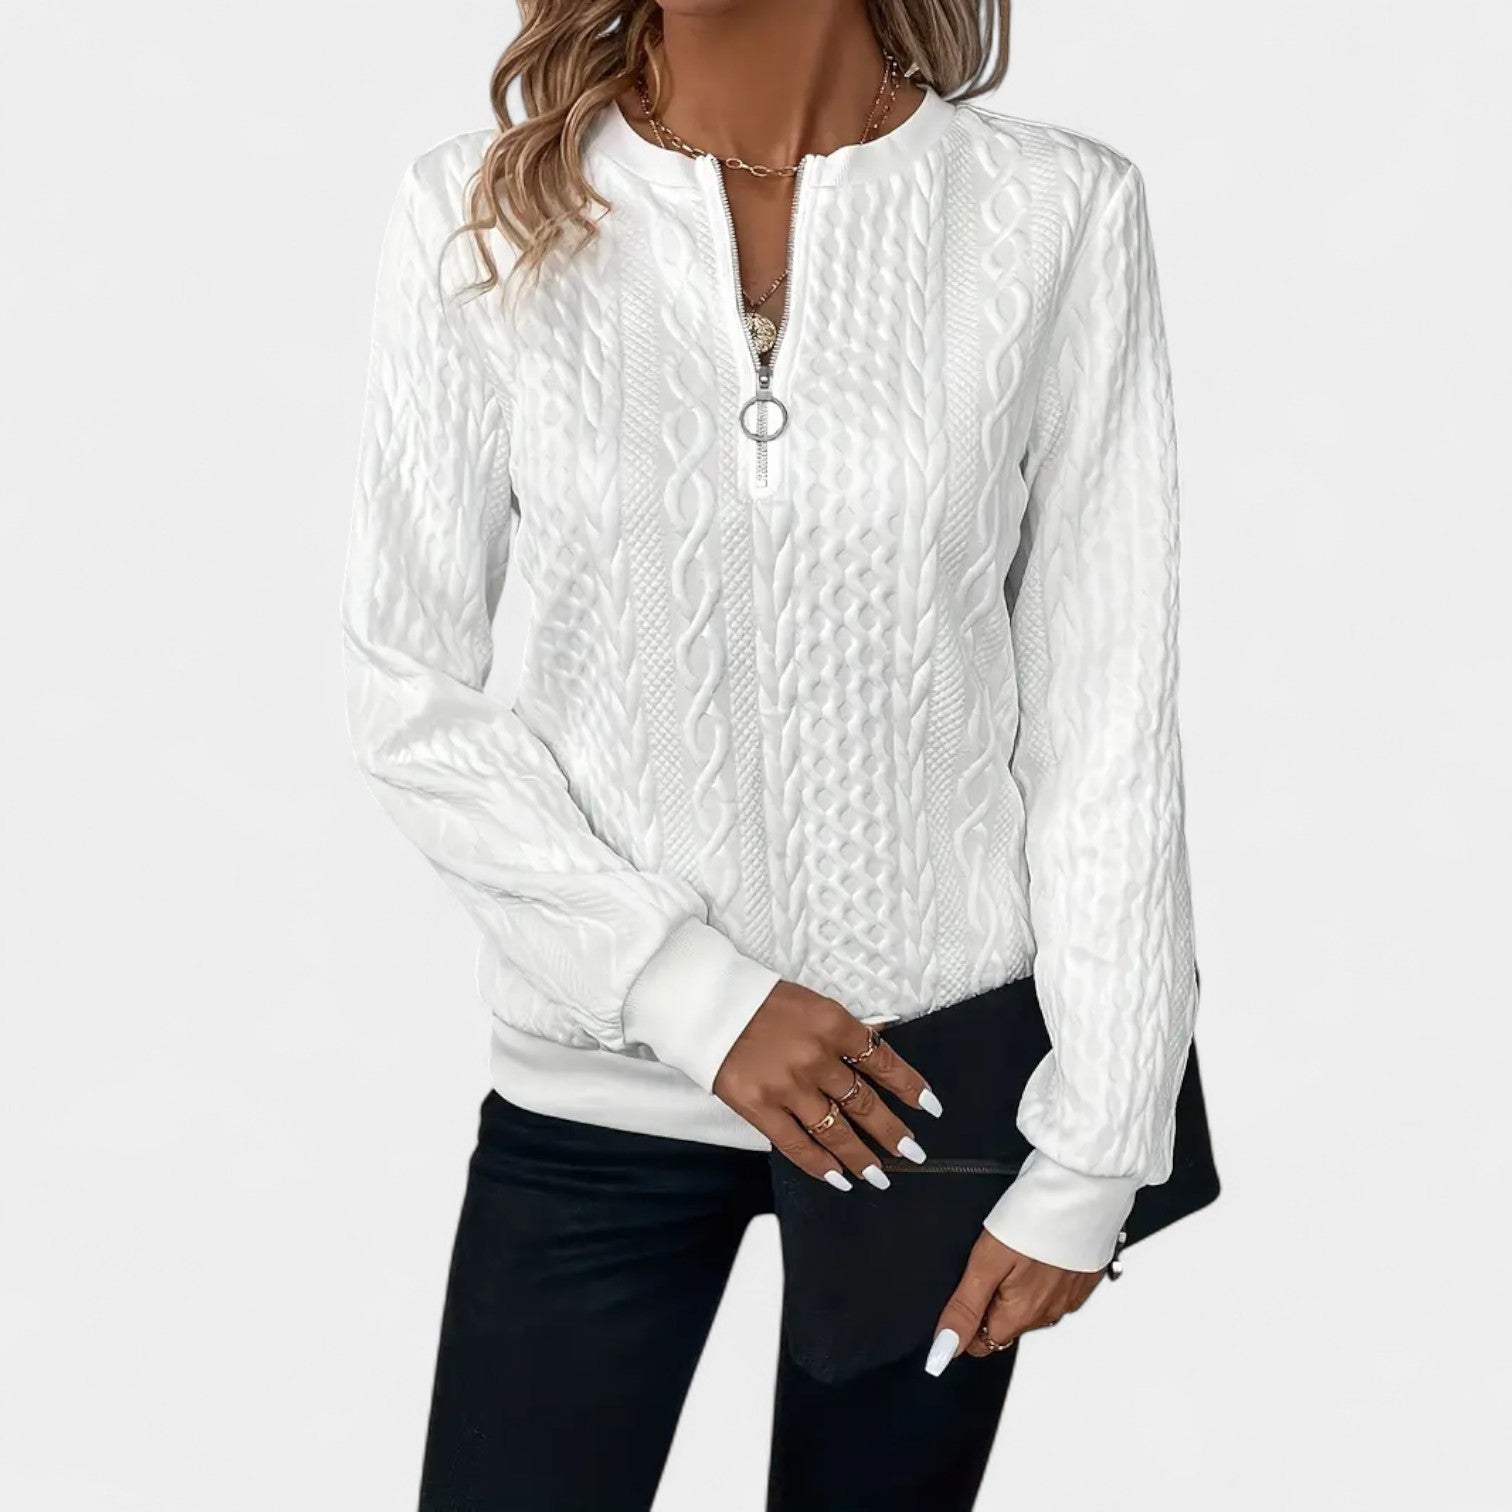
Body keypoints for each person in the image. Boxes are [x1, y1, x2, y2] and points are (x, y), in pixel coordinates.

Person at [339, 1, 1200, 1506]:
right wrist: (696, 995)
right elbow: (406, 694)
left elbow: (1105, 714)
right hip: (600, 1084)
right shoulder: (477, 212)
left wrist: (1100, 1144)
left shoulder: (1051, 213)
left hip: (929, 1091)